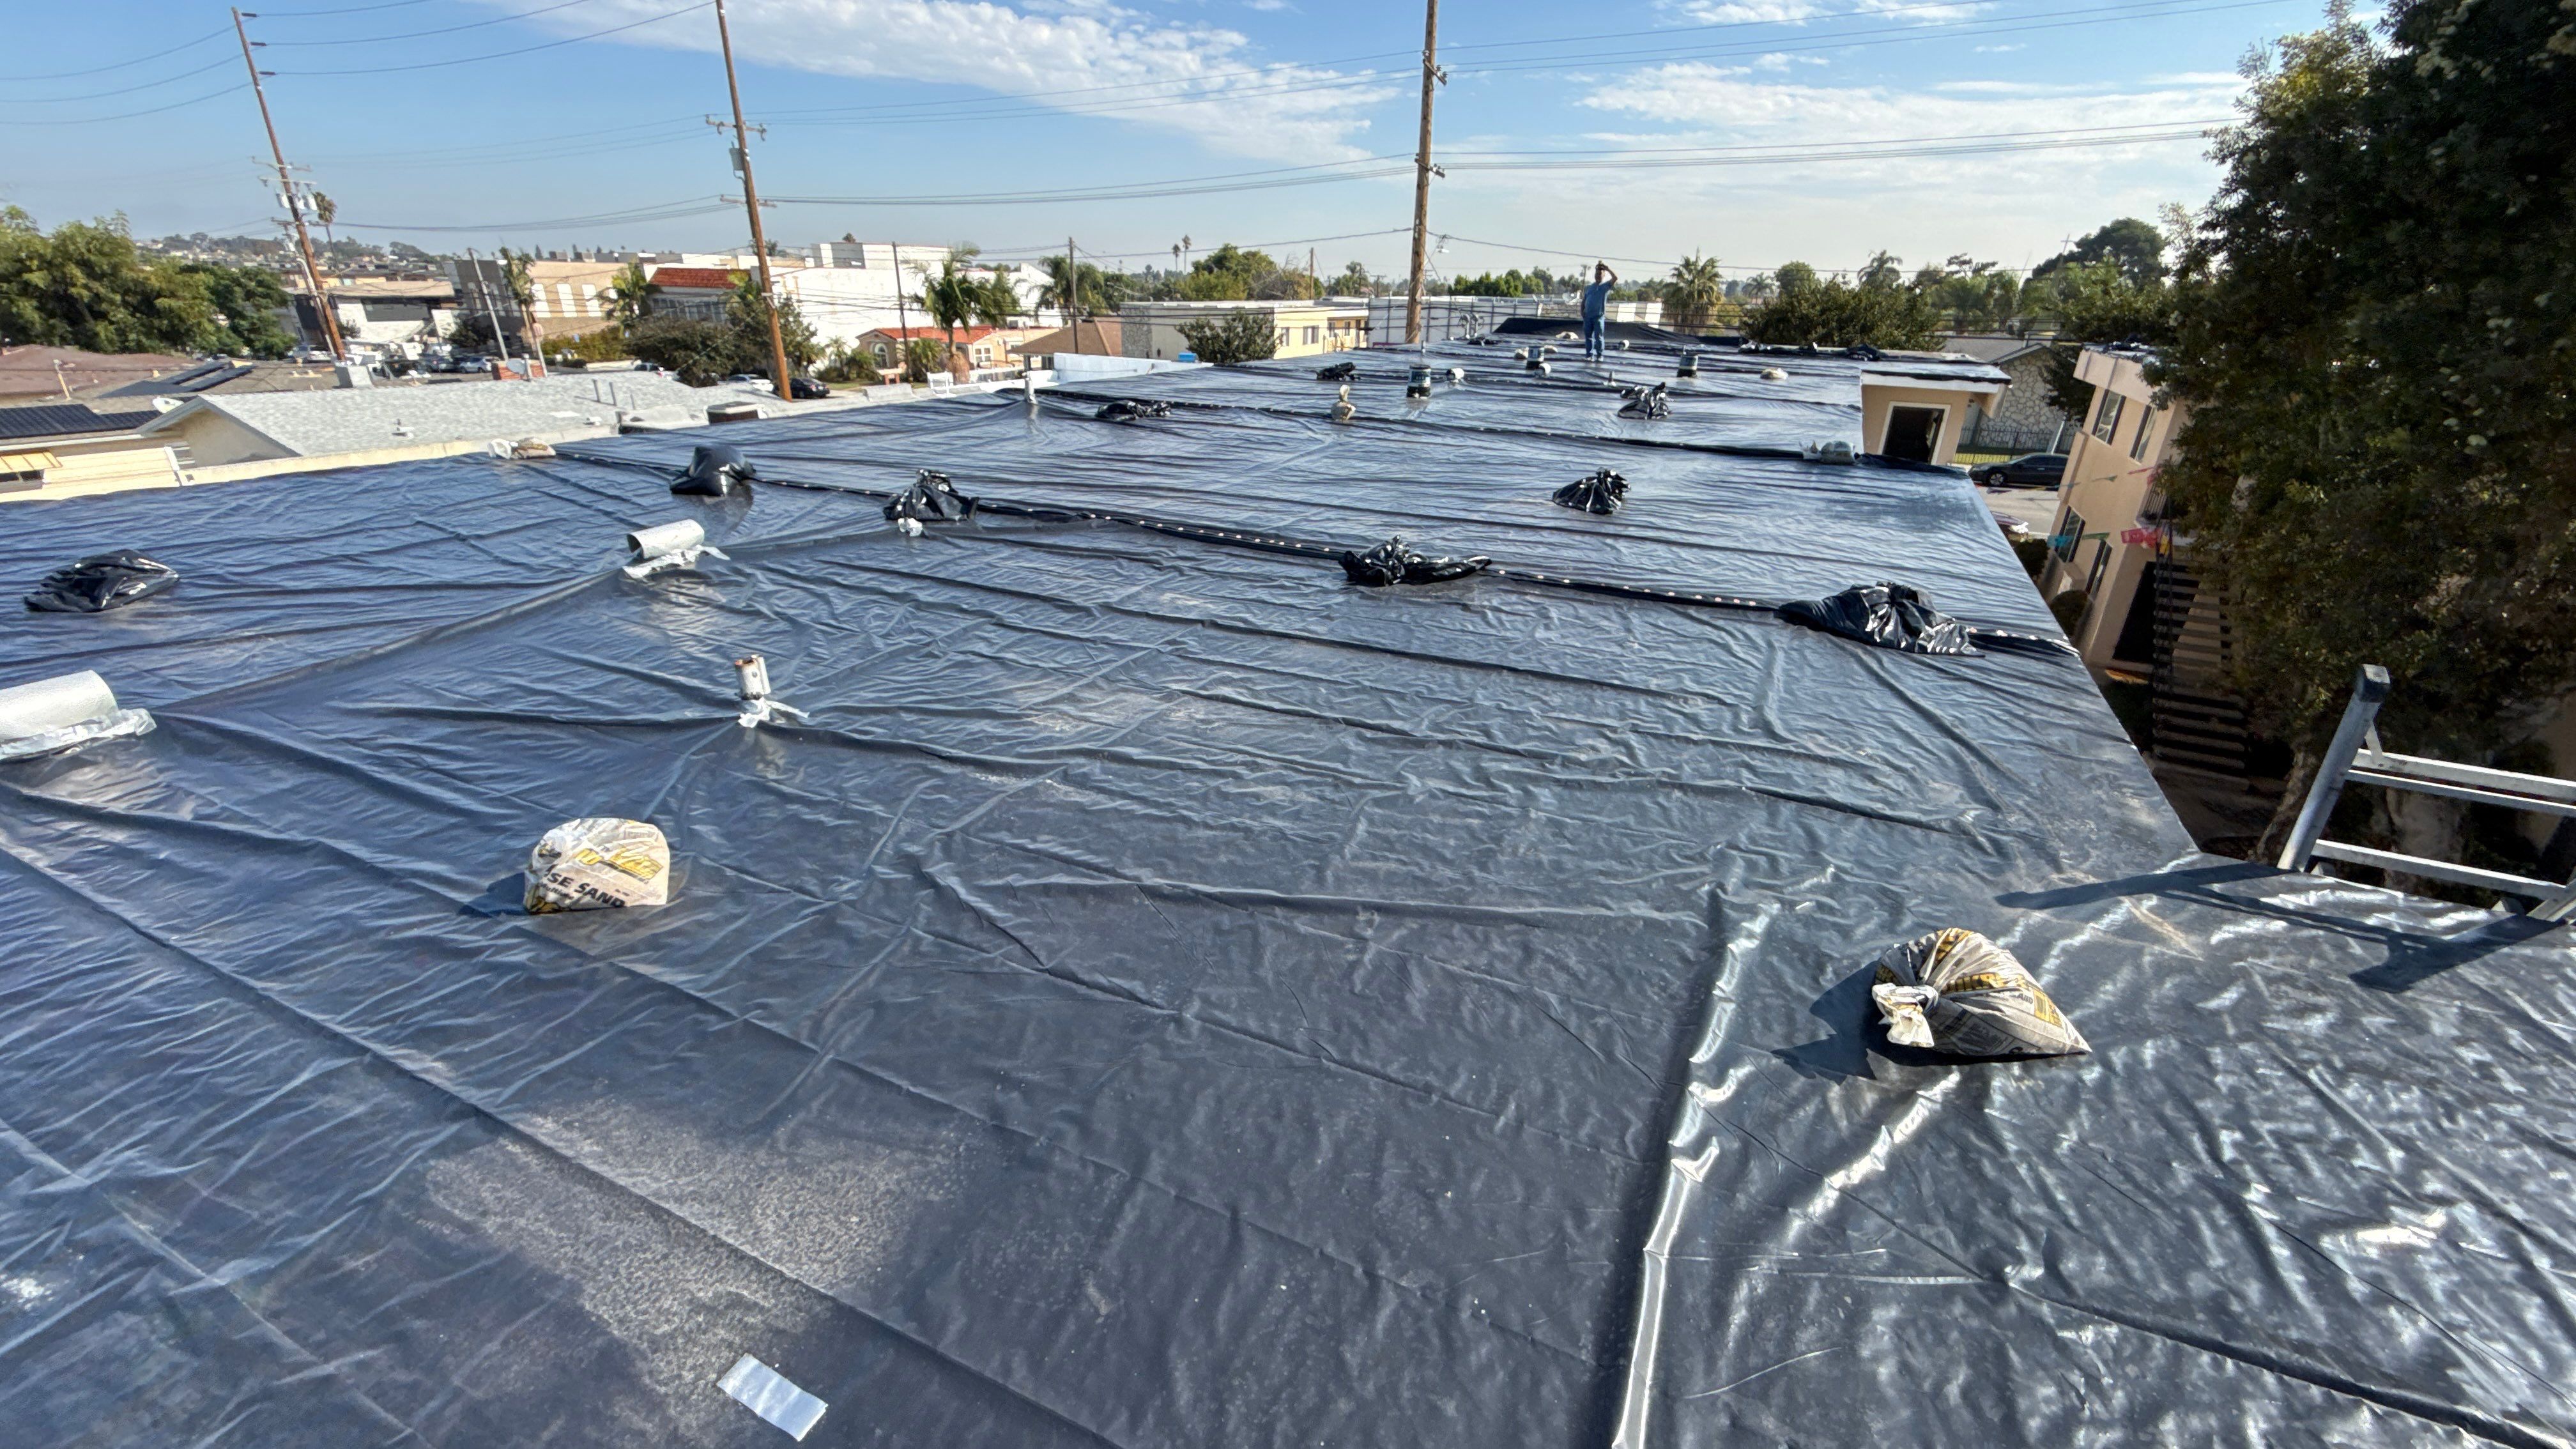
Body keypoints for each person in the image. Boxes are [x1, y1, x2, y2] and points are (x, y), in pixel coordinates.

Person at [1580, 262, 1618, 361]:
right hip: (1588, 317)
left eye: (1600, 274)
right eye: (1596, 274)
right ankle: (1589, 355)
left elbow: (1615, 278)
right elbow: (1584, 300)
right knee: (1588, 337)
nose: (1598, 276)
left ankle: (1600, 355)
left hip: (1599, 317)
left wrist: (1608, 269)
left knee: (1599, 337)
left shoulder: (1605, 286)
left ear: (1604, 275)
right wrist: (1582, 310)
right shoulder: (1589, 287)